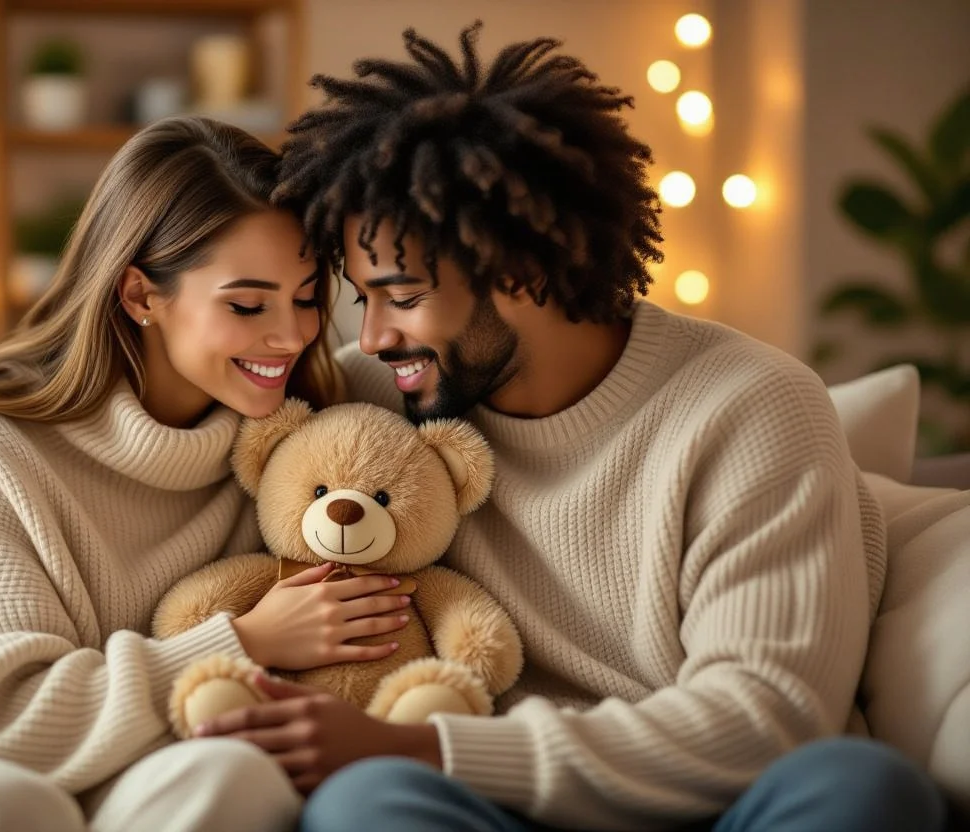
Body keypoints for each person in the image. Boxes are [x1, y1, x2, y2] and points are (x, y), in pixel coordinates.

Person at [192, 25, 949, 831]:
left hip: (721, 810)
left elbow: (769, 718)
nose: (371, 336)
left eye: (403, 296)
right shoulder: (372, 400)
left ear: (520, 272)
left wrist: (432, 750)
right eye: (362, 298)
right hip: (495, 814)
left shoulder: (751, 407)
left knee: (862, 787)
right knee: (364, 804)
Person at [0, 117, 414, 832]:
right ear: (141, 296)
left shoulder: (303, 448)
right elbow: (3, 721)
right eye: (246, 305)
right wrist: (245, 641)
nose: (291, 334)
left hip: (153, 776)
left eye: (307, 298)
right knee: (5, 805)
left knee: (233, 779)